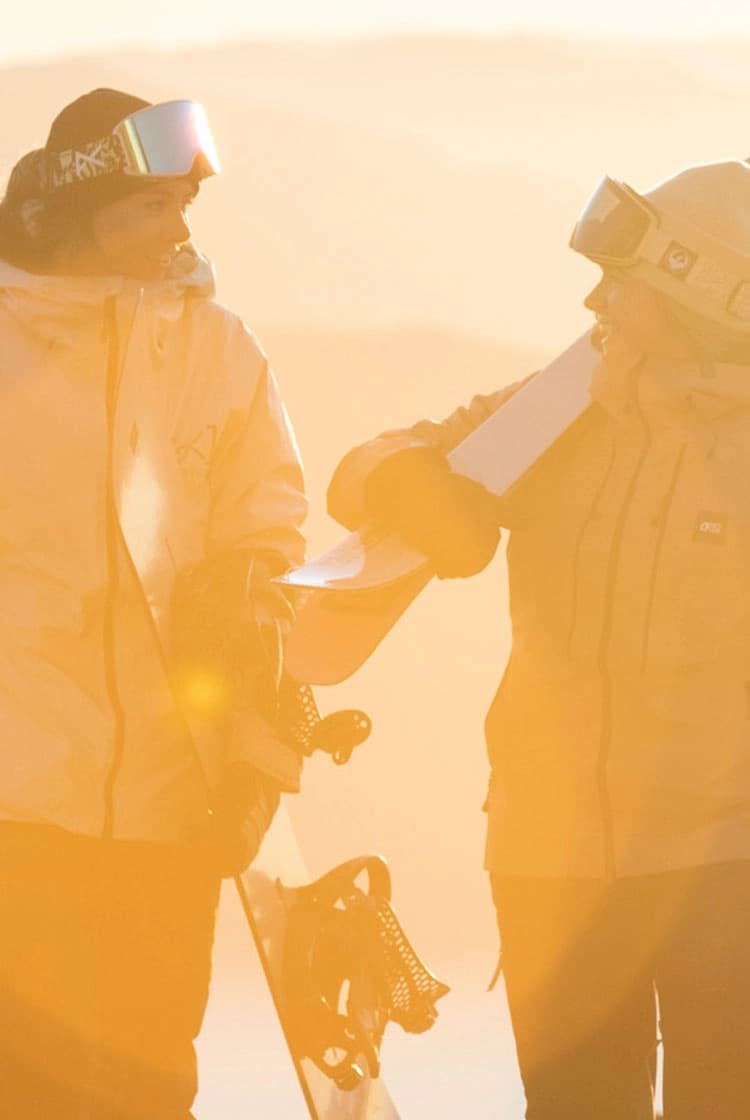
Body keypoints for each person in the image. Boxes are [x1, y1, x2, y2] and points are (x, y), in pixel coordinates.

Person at [326, 159, 750, 1119]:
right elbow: (363, 468)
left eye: (624, 285)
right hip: (549, 857)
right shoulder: (566, 405)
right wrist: (409, 486)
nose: (595, 297)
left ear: (697, 300)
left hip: (720, 863)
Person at [0, 88, 307, 1118]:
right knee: (30, 1081)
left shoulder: (217, 346)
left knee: (150, 1079)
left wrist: (253, 586)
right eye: (154, 206)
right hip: (21, 801)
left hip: (175, 798)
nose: (180, 227)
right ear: (83, 209)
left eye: (186, 203)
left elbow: (270, 508)